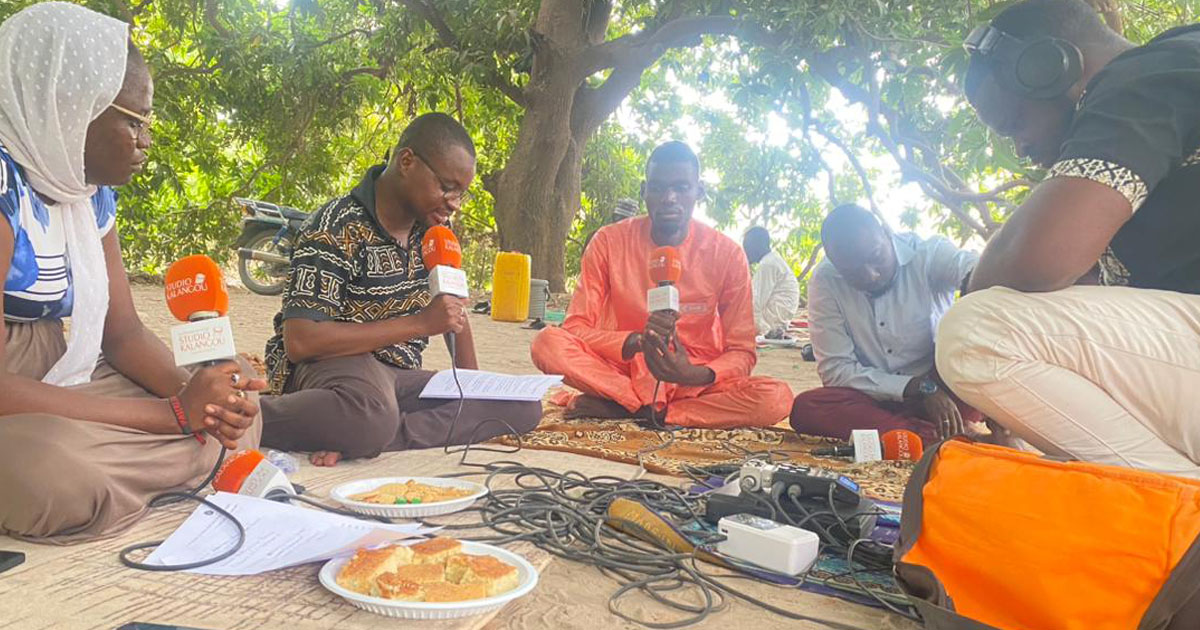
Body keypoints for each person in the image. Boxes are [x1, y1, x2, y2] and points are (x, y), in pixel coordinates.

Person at [0, 3, 262, 541]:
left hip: (58, 371)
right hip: (11, 386)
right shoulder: (5, 185)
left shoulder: (87, 192)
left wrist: (201, 397)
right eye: (133, 120)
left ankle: (130, 470)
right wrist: (171, 417)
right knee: (59, 477)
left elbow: (122, 335)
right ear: (68, 105)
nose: (145, 140)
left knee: (241, 420)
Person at [936, 0, 1200, 476]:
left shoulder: (1139, 81)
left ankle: (1181, 514)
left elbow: (1037, 259)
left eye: (1015, 124)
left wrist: (980, 277)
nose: (1022, 148)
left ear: (1049, 69)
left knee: (976, 332)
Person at [259, 113, 541, 467]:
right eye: (446, 186)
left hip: (397, 380)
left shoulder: (435, 231)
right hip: (335, 369)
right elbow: (302, 343)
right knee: (369, 412)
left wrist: (475, 388)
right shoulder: (333, 228)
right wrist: (421, 324)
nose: (453, 202)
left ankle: (368, 436)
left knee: (520, 405)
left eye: (461, 193)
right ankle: (253, 416)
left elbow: (452, 312)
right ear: (407, 161)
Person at [530, 141, 793, 428]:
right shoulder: (608, 241)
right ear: (644, 191)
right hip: (623, 370)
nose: (669, 198)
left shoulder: (727, 253)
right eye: (658, 188)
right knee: (547, 343)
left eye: (681, 188)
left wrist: (695, 373)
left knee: (777, 397)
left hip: (692, 380)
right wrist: (635, 342)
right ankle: (638, 404)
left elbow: (742, 351)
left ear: (699, 192)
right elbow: (576, 329)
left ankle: (644, 411)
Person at [790, 204, 981, 444]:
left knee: (976, 371)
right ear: (835, 263)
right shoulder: (826, 280)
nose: (871, 275)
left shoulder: (928, 254)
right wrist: (917, 388)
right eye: (852, 272)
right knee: (807, 408)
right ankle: (940, 437)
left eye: (876, 258)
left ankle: (911, 436)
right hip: (871, 398)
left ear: (885, 232)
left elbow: (979, 270)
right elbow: (836, 370)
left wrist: (974, 292)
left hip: (943, 388)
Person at [742, 226, 800, 338]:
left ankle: (769, 332)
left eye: (747, 247)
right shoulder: (772, 260)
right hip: (778, 318)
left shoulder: (767, 264)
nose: (745, 252)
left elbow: (755, 303)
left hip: (771, 322)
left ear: (756, 246)